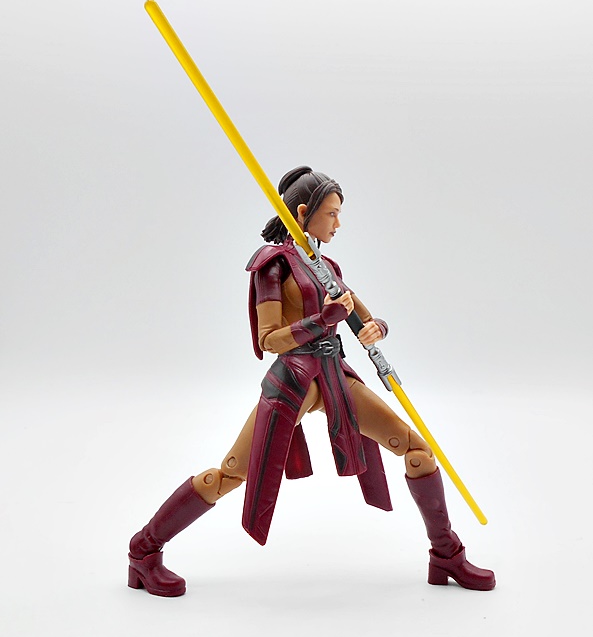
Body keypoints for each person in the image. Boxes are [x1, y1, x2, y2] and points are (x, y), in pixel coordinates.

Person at [128, 166, 495, 597]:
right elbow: (269, 340)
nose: (338, 224)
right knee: (230, 474)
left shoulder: (325, 266)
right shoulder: (272, 266)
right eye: (332, 214)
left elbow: (360, 312)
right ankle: (144, 550)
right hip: (293, 381)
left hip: (336, 378)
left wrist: (374, 326)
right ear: (303, 213)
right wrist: (321, 321)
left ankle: (446, 554)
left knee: (418, 451)